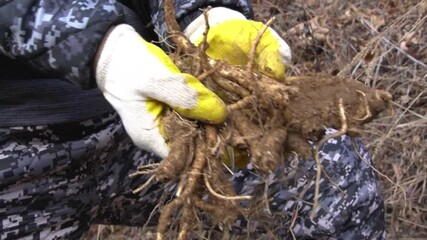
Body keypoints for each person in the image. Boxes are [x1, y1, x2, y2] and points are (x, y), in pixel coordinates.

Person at [0, 0, 386, 239]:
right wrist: (98, 46)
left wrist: (205, 14)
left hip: (160, 96)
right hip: (12, 155)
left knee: (336, 179)